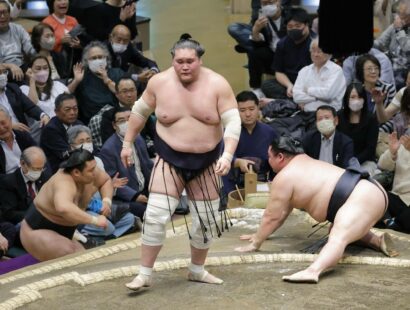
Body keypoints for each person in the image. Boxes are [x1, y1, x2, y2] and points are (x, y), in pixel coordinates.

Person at [121, 35, 241, 290]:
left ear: (200, 60)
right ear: (172, 61)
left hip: (207, 160)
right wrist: (127, 143)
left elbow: (233, 121)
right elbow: (140, 112)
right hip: (169, 157)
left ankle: (197, 270)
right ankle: (144, 274)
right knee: (154, 216)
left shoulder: (217, 84)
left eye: (190, 61)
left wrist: (228, 155)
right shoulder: (159, 82)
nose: (184, 66)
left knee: (206, 221)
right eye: (179, 61)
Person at [235, 135, 395, 283]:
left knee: (338, 237)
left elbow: (272, 216)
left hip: (361, 196)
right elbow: (282, 212)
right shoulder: (306, 162)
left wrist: (255, 244)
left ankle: (313, 271)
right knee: (341, 227)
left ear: (280, 157)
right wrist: (259, 235)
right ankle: (377, 241)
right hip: (369, 190)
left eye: (270, 156)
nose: (268, 160)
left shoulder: (285, 177)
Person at [19, 148, 111, 261]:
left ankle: (80, 239)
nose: (95, 172)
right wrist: (95, 220)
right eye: (91, 170)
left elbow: (106, 181)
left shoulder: (90, 173)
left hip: (67, 229)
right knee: (75, 255)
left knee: (88, 257)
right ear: (76, 172)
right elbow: (63, 208)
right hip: (37, 229)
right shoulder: (63, 182)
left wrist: (106, 201)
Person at [67, 125, 138, 239]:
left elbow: (105, 182)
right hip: (84, 210)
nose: (86, 143)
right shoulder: (70, 168)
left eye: (88, 140)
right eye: (81, 141)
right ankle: (95, 236)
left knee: (128, 219)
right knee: (107, 227)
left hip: (102, 206)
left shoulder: (98, 161)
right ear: (72, 146)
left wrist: (106, 201)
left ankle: (107, 237)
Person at [99, 107, 152, 220]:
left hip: (145, 189)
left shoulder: (138, 138)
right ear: (114, 125)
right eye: (122, 121)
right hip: (127, 197)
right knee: (148, 213)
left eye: (129, 118)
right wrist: (135, 196)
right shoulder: (108, 149)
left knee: (167, 204)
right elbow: (114, 182)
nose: (127, 123)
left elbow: (148, 166)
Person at [222, 90, 277, 195]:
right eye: (242, 110)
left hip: (262, 183)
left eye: (251, 109)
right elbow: (222, 156)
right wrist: (237, 162)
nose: (247, 114)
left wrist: (273, 184)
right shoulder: (230, 131)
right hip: (234, 184)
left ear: (258, 108)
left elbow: (275, 161)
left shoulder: (269, 132)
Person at [260, 7, 313, 99]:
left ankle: (292, 100)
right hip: (290, 82)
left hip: (309, 84)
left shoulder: (315, 43)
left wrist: (301, 88)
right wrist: (289, 85)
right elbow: (279, 72)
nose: (294, 29)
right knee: (267, 85)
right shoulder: (282, 44)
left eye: (298, 26)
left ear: (307, 25)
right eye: (290, 27)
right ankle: (295, 100)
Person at [20, 55, 72, 142]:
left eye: (45, 68)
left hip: (64, 127)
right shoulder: (24, 89)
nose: (42, 71)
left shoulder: (58, 85)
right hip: (40, 132)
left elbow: (70, 104)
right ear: (30, 70)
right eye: (38, 68)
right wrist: (32, 81)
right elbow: (32, 105)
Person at [75, 41, 124, 124]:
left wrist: (107, 80)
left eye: (100, 57)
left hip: (119, 117)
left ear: (106, 58)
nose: (97, 60)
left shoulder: (117, 73)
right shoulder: (82, 79)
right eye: (93, 58)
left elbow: (125, 95)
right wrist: (76, 81)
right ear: (87, 61)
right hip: (96, 121)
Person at [293, 38, 346, 113]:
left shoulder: (336, 70)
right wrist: (317, 98)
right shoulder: (304, 70)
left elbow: (328, 94)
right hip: (306, 114)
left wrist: (308, 90)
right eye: (313, 51)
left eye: (319, 51)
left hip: (328, 115)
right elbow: (296, 96)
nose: (315, 54)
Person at [246, 0, 287, 96]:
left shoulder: (289, 16)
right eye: (264, 4)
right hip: (272, 56)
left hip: (288, 55)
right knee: (253, 52)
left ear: (279, 2)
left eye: (271, 2)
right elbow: (257, 45)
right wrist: (255, 30)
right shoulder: (260, 17)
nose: (268, 6)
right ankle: (256, 88)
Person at [0, 146, 49, 225]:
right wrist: (37, 216)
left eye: (41, 168)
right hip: (23, 223)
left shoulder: (44, 176)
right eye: (35, 169)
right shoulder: (9, 182)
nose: (39, 172)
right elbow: (9, 213)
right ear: (22, 163)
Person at [337, 83, 379, 175]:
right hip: (341, 161)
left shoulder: (371, 119)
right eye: (352, 97)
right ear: (346, 99)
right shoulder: (339, 117)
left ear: (364, 100)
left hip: (365, 162)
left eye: (359, 97)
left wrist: (354, 161)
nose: (356, 101)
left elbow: (370, 148)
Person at [107, 25, 159, 94]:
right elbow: (111, 74)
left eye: (125, 40)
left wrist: (153, 70)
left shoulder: (128, 48)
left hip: (127, 79)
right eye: (119, 39)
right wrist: (136, 77)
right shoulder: (103, 50)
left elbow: (144, 61)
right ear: (111, 37)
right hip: (110, 83)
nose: (122, 43)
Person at [0, 63, 50, 134]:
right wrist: (10, 126)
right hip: (4, 134)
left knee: (47, 124)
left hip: (24, 132)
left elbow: (30, 107)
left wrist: (43, 115)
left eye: (4, 72)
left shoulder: (12, 88)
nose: (2, 75)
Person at [40, 93, 82, 173]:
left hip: (78, 164)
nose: (72, 112)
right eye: (67, 109)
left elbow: (91, 146)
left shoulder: (79, 124)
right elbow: (67, 155)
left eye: (75, 108)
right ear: (56, 111)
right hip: (60, 170)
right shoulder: (50, 130)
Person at [374, 0, 410, 89]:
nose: (398, 18)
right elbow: (380, 43)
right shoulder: (395, 25)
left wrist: (399, 30)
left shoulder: (398, 27)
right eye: (398, 14)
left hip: (406, 70)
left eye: (402, 15)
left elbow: (407, 48)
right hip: (391, 67)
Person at [0, 0, 36, 82]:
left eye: (5, 12)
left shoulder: (18, 29)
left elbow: (30, 48)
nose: (2, 16)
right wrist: (10, 66)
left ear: (9, 14)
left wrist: (38, 58)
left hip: (21, 67)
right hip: (3, 73)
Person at [0, 106, 36, 174]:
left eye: (3, 123)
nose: (1, 128)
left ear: (10, 120)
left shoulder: (23, 136)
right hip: (10, 182)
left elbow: (39, 155)